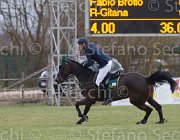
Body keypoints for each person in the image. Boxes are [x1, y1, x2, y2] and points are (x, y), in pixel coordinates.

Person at [78, 37, 113, 105]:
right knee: (101, 79)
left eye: (80, 45)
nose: (79, 46)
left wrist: (83, 65)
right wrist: (85, 63)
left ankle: (108, 98)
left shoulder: (87, 50)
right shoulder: (91, 45)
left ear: (84, 44)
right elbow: (93, 59)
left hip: (105, 64)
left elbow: (90, 63)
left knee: (97, 82)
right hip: (108, 60)